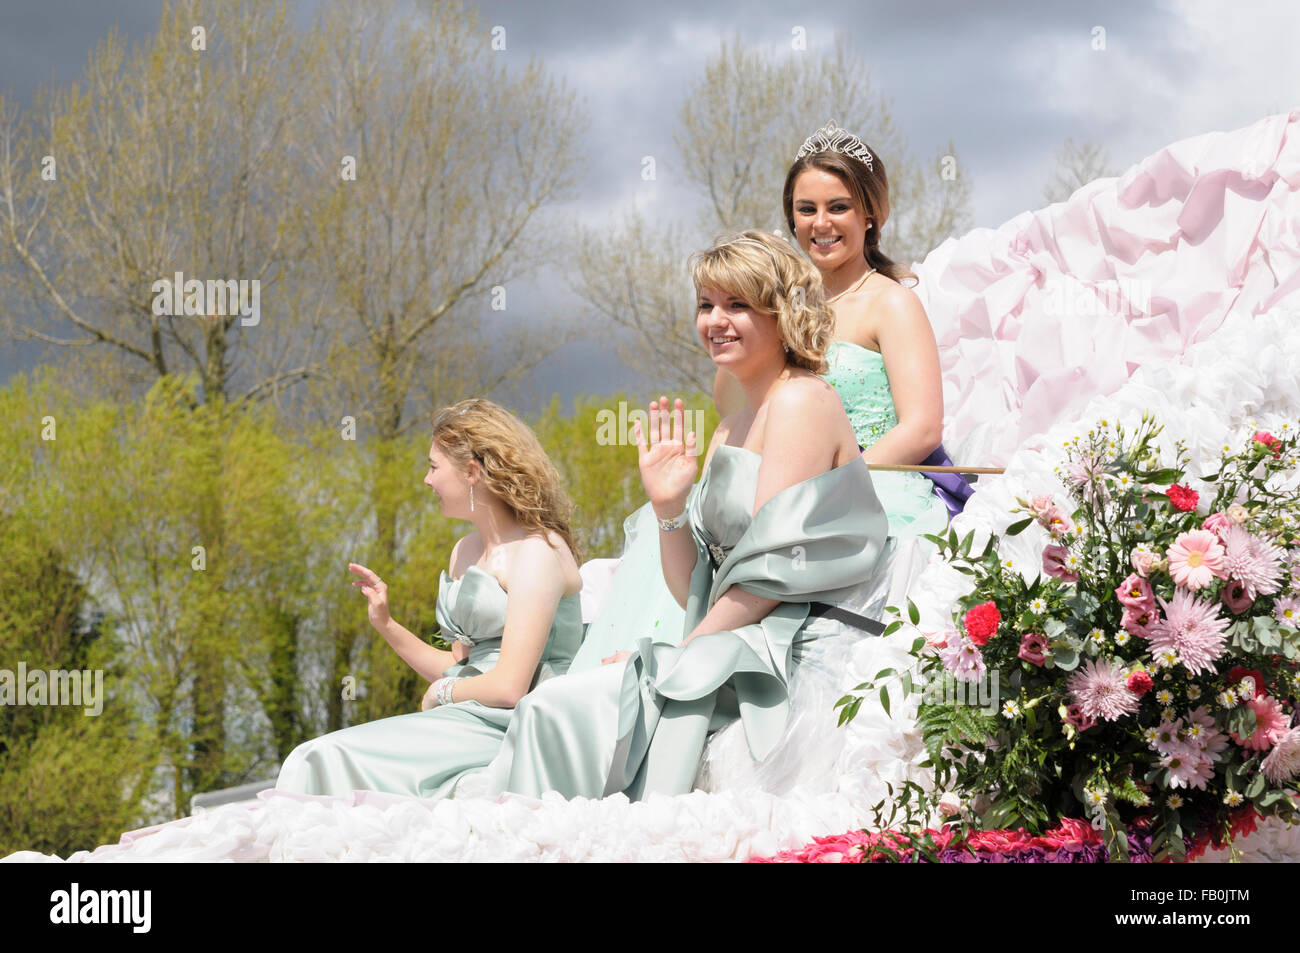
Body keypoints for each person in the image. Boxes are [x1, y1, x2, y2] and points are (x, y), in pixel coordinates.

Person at [483, 230, 889, 800]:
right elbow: (693, 583)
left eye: (737, 304)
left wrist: (676, 657)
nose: (715, 321)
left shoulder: (802, 401)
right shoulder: (731, 425)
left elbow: (769, 577)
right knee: (563, 704)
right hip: (738, 629)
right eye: (706, 305)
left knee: (567, 706)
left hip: (789, 641)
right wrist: (669, 509)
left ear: (782, 313)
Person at [275, 399, 584, 799]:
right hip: (464, 715)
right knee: (315, 754)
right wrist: (386, 624)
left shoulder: (538, 551)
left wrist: (441, 694)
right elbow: (459, 668)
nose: (426, 480)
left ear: (472, 472)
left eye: (434, 467)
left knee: (321, 757)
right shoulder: (465, 552)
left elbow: (509, 686)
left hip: (513, 722)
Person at [715, 119, 972, 531]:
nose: (821, 223)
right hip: (777, 487)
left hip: (871, 488)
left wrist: (829, 490)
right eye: (806, 209)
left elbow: (922, 428)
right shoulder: (779, 310)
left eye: (838, 207)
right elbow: (733, 408)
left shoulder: (891, 303)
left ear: (870, 214)